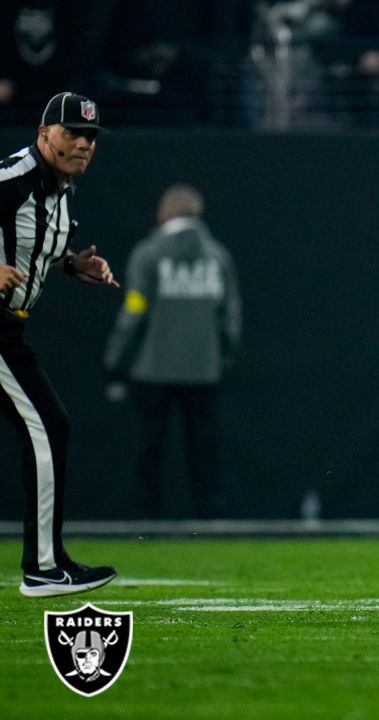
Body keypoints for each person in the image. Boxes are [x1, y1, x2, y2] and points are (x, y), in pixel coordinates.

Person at [1, 91, 120, 597]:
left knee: (49, 424)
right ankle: (43, 568)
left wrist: (71, 264)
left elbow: (32, 244)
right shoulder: (13, 177)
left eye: (90, 136)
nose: (82, 143)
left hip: (11, 326)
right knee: (48, 424)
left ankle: (47, 562)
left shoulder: (58, 187)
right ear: (43, 133)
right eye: (72, 132)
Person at [103, 184, 242, 519]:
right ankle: (212, 517)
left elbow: (134, 310)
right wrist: (222, 358)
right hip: (204, 370)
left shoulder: (149, 254)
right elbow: (230, 316)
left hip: (152, 369)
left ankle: (144, 518)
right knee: (205, 448)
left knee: (149, 447)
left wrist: (116, 358)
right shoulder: (218, 257)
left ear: (163, 213)